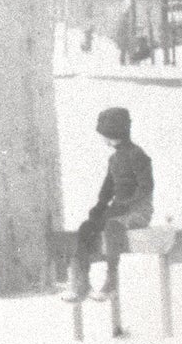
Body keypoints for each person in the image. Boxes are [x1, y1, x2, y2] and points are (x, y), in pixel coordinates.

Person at [63, 107, 154, 303]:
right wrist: (100, 206)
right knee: (87, 228)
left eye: (105, 135)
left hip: (138, 210)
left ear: (114, 134)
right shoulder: (114, 158)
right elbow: (108, 186)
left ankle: (111, 281)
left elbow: (146, 187)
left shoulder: (137, 155)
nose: (104, 139)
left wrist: (127, 205)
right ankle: (83, 283)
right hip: (118, 209)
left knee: (113, 227)